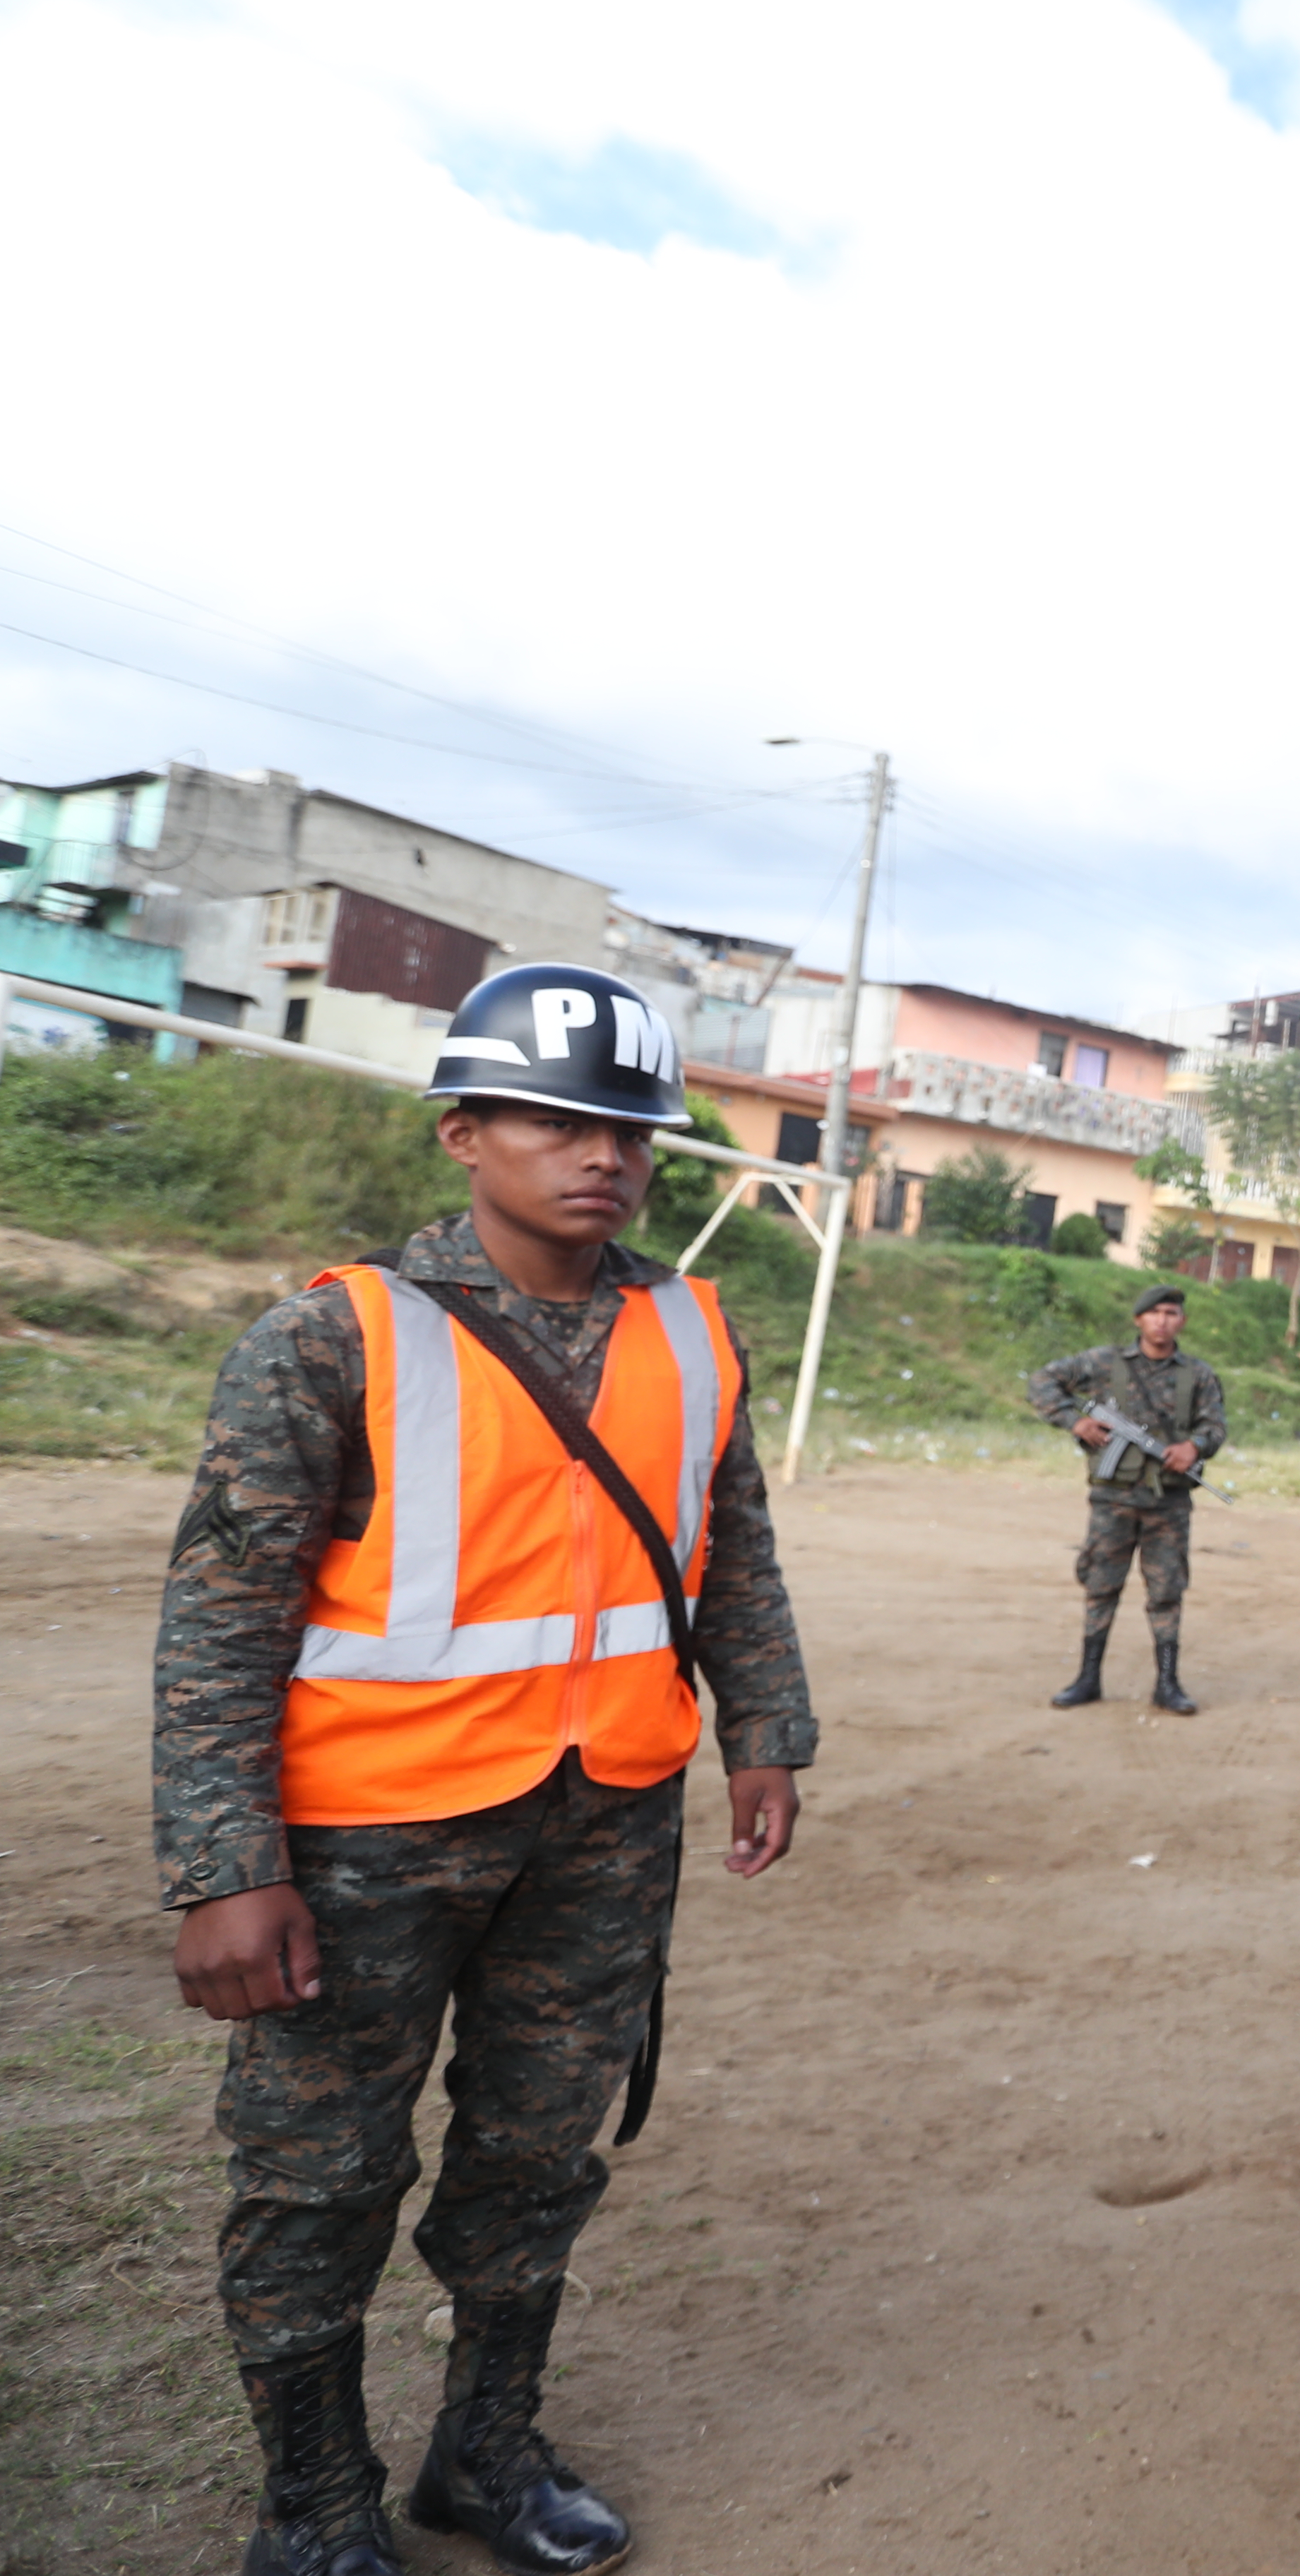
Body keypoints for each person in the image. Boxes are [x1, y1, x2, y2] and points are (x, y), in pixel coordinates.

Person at [154, 961, 811, 2576]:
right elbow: (221, 1614)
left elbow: (730, 1555)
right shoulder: (335, 1334)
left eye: (631, 1130)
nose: (604, 1154)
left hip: (601, 1831)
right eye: (557, 1119)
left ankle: (486, 2452)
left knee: (536, 2153)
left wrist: (764, 1727)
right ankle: (311, 2513)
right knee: (319, 2181)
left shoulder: (689, 1325)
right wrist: (225, 1865)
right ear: (464, 1130)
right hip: (365, 1841)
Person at [1024, 1282, 1227, 1712]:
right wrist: (1073, 1422)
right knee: (1100, 1586)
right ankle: (1088, 1678)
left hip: (1168, 1504)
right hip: (1112, 1500)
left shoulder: (1198, 1374)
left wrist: (1194, 1447)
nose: (1162, 1321)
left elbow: (1215, 1426)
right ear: (1138, 1320)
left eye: (1171, 1314)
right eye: (1154, 1314)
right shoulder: (1103, 1363)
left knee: (1167, 1592)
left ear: (1182, 1322)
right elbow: (1043, 1381)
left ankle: (1167, 1685)